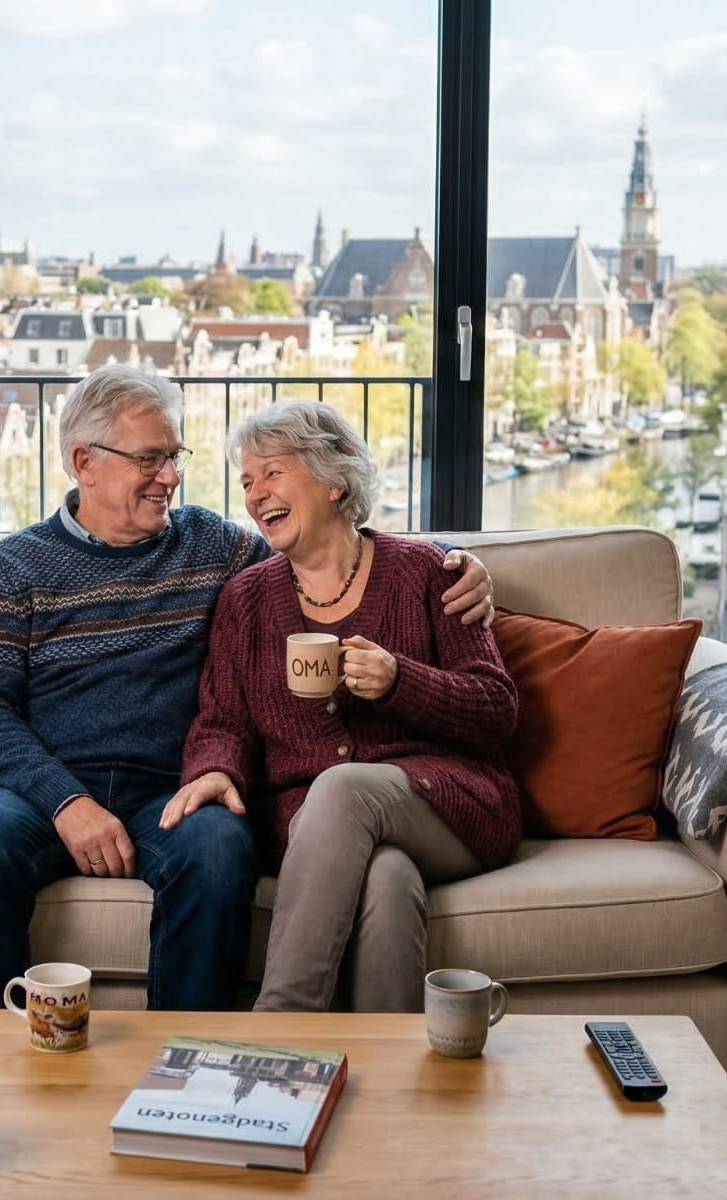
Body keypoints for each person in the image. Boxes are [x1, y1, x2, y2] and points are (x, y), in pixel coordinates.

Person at [0, 365, 496, 1010]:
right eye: (149, 459)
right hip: (42, 792)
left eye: (174, 457)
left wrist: (460, 560)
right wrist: (67, 802)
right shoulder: (14, 565)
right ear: (83, 462)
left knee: (220, 849)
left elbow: (330, 553)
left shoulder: (216, 549)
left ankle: (186, 1070)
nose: (170, 477)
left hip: (170, 789)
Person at [164, 401, 521, 1013]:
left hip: (447, 804)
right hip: (310, 826)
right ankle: (391, 1084)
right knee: (387, 878)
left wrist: (400, 682)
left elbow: (497, 710)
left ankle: (279, 1026)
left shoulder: (431, 574)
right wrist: (215, 770)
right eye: (246, 482)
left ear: (333, 480)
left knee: (343, 787)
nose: (255, 495)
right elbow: (221, 721)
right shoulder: (246, 599)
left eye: (272, 473)